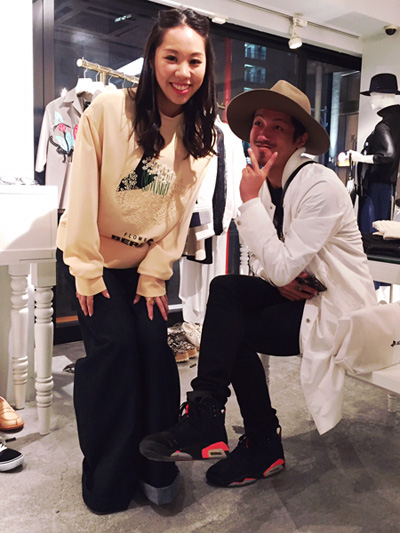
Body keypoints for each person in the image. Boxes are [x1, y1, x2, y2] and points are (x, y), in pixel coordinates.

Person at [139, 80, 377, 488]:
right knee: (225, 290)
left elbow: (279, 265)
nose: (262, 134)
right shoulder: (267, 185)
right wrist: (278, 276)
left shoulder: (319, 185)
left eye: (278, 127)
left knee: (233, 330)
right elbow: (267, 263)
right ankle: (208, 413)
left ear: (300, 139)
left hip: (338, 312)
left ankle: (257, 439)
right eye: (258, 123)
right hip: (302, 299)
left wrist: (250, 205)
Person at [56, 7, 217, 513]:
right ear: (152, 58)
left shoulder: (202, 134)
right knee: (115, 353)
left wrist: (154, 275)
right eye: (172, 57)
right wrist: (85, 269)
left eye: (195, 61)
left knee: (154, 349)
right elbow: (81, 194)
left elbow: (178, 217)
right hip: (92, 259)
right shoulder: (108, 110)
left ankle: (156, 467)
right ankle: (108, 476)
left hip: (145, 268)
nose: (183, 72)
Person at [349, 73, 400, 233]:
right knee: (381, 229)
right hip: (386, 185)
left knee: (372, 230)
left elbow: (388, 155)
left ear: (382, 95)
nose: (371, 100)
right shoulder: (395, 122)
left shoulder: (384, 126)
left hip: (377, 186)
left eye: (372, 95)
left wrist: (360, 157)